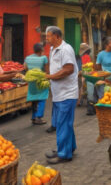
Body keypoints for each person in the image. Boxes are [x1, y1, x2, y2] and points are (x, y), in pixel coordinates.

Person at [43, 26, 79, 164]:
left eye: (49, 36)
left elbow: (68, 69)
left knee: (63, 124)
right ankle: (69, 147)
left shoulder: (66, 49)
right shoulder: (53, 49)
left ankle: (64, 154)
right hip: (59, 93)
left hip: (67, 93)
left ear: (57, 37)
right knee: (64, 123)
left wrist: (50, 76)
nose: (46, 39)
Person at [24, 43, 49, 125]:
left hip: (31, 81)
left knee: (34, 100)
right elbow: (46, 71)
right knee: (42, 98)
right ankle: (39, 117)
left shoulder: (27, 58)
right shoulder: (44, 58)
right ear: (41, 50)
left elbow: (25, 68)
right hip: (40, 81)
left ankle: (34, 117)